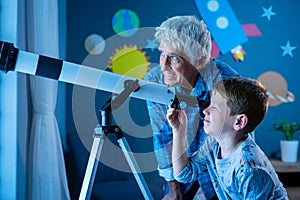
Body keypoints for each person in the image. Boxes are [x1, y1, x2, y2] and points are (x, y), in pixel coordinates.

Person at [144, 15, 239, 199]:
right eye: (162, 53)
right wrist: (173, 188)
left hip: (220, 165)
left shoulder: (225, 81)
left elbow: (235, 142)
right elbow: (162, 137)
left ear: (200, 60)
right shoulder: (155, 80)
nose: (163, 66)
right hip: (180, 162)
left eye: (174, 58)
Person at [168, 77, 288, 199]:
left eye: (214, 107)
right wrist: (179, 130)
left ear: (239, 122)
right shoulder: (213, 144)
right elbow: (184, 174)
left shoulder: (250, 170)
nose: (205, 111)